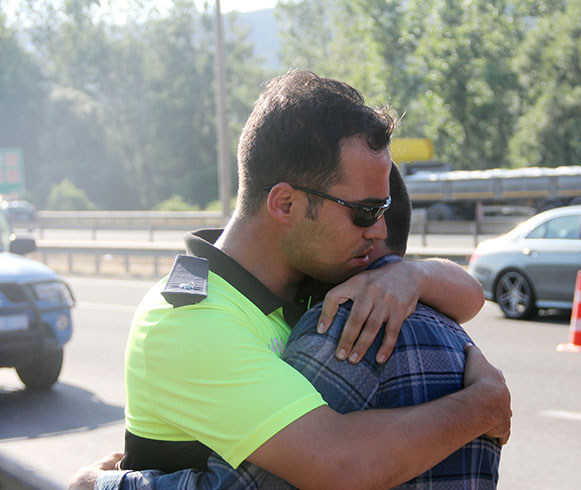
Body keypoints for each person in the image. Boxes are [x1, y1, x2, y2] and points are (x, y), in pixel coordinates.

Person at [72, 71, 510, 490]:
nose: (379, 231)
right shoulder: (188, 321)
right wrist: (482, 405)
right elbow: (339, 465)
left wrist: (411, 274)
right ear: (285, 204)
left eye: (384, 208)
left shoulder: (311, 278)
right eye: (364, 211)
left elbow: (470, 297)